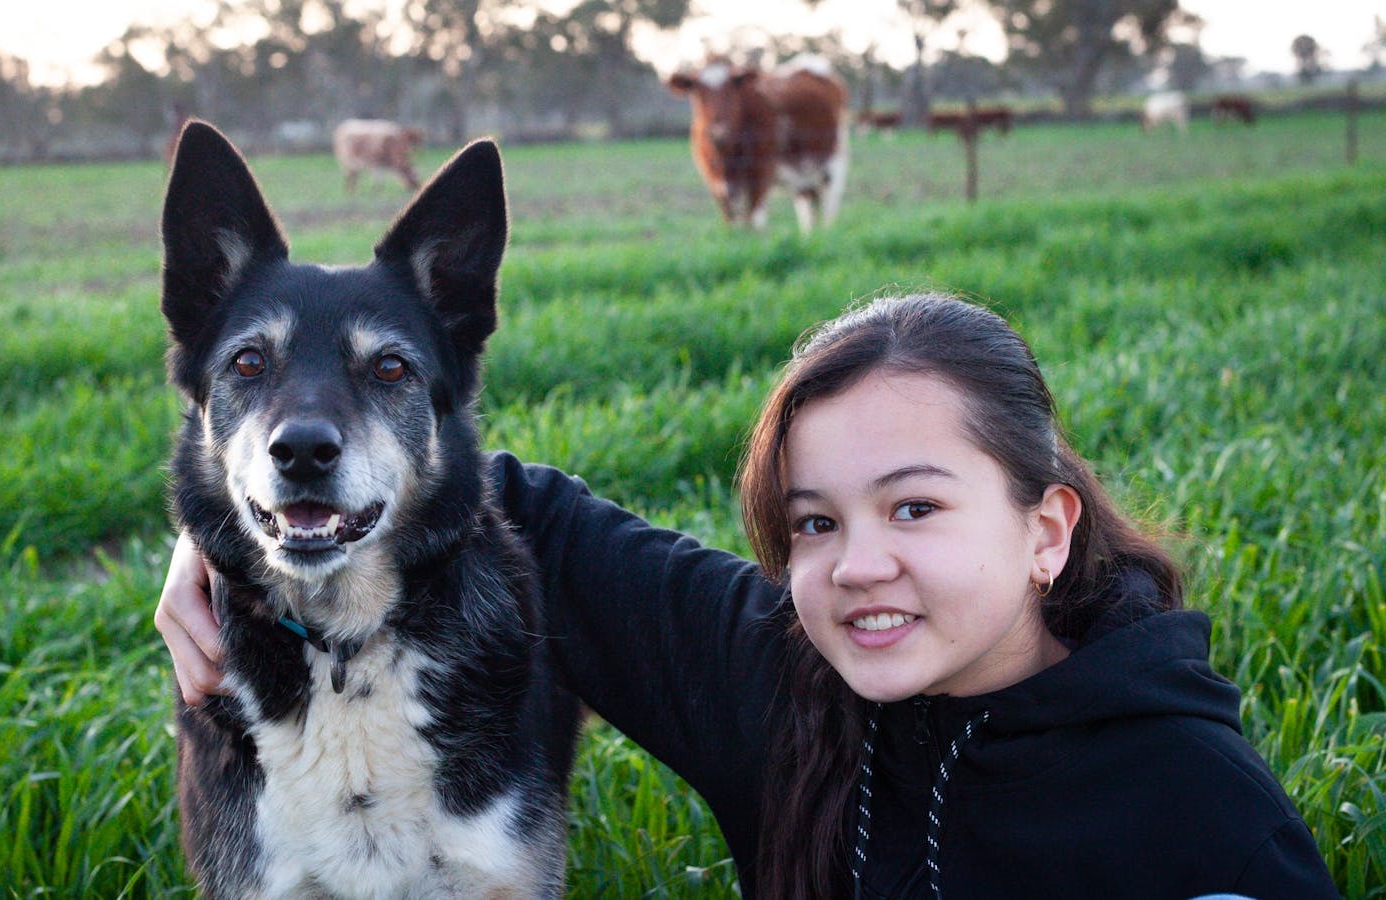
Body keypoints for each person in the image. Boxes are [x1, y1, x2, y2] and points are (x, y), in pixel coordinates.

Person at [157, 293, 1338, 898]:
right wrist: (235, 539)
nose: (857, 563)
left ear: (1045, 530)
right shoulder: (775, 673)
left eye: (914, 507)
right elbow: (495, 499)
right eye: (814, 522)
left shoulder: (1188, 804)